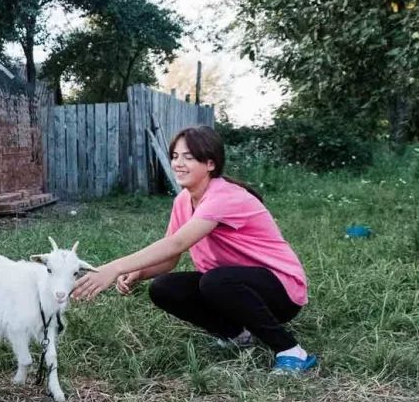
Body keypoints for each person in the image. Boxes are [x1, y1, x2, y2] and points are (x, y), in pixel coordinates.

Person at [70, 125, 316, 374]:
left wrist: (113, 267)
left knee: (215, 281)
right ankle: (237, 335)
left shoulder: (224, 196)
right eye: (175, 156)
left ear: (210, 163)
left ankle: (291, 351)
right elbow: (169, 258)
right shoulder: (183, 201)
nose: (178, 163)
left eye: (188, 157)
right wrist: (139, 273)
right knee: (163, 287)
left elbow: (177, 243)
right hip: (236, 288)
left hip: (282, 292)